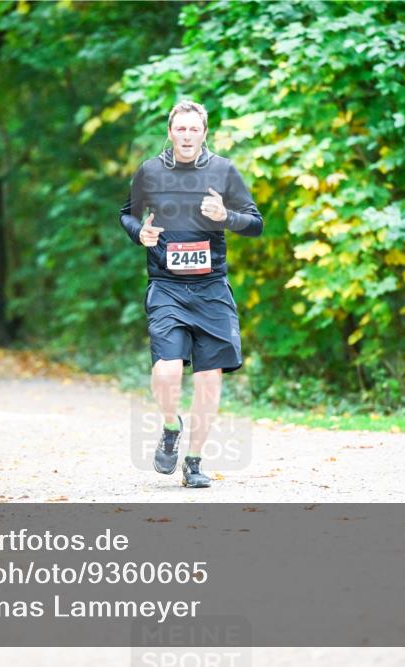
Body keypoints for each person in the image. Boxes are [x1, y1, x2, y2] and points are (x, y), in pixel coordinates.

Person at [119, 100, 263, 488]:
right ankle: (170, 426)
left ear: (204, 133)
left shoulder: (223, 170)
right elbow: (127, 214)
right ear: (170, 132)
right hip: (167, 286)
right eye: (179, 129)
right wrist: (140, 234)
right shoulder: (150, 171)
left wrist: (225, 218)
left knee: (208, 380)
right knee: (166, 372)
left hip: (211, 288)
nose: (186, 135)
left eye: (193, 129)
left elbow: (255, 224)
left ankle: (195, 462)